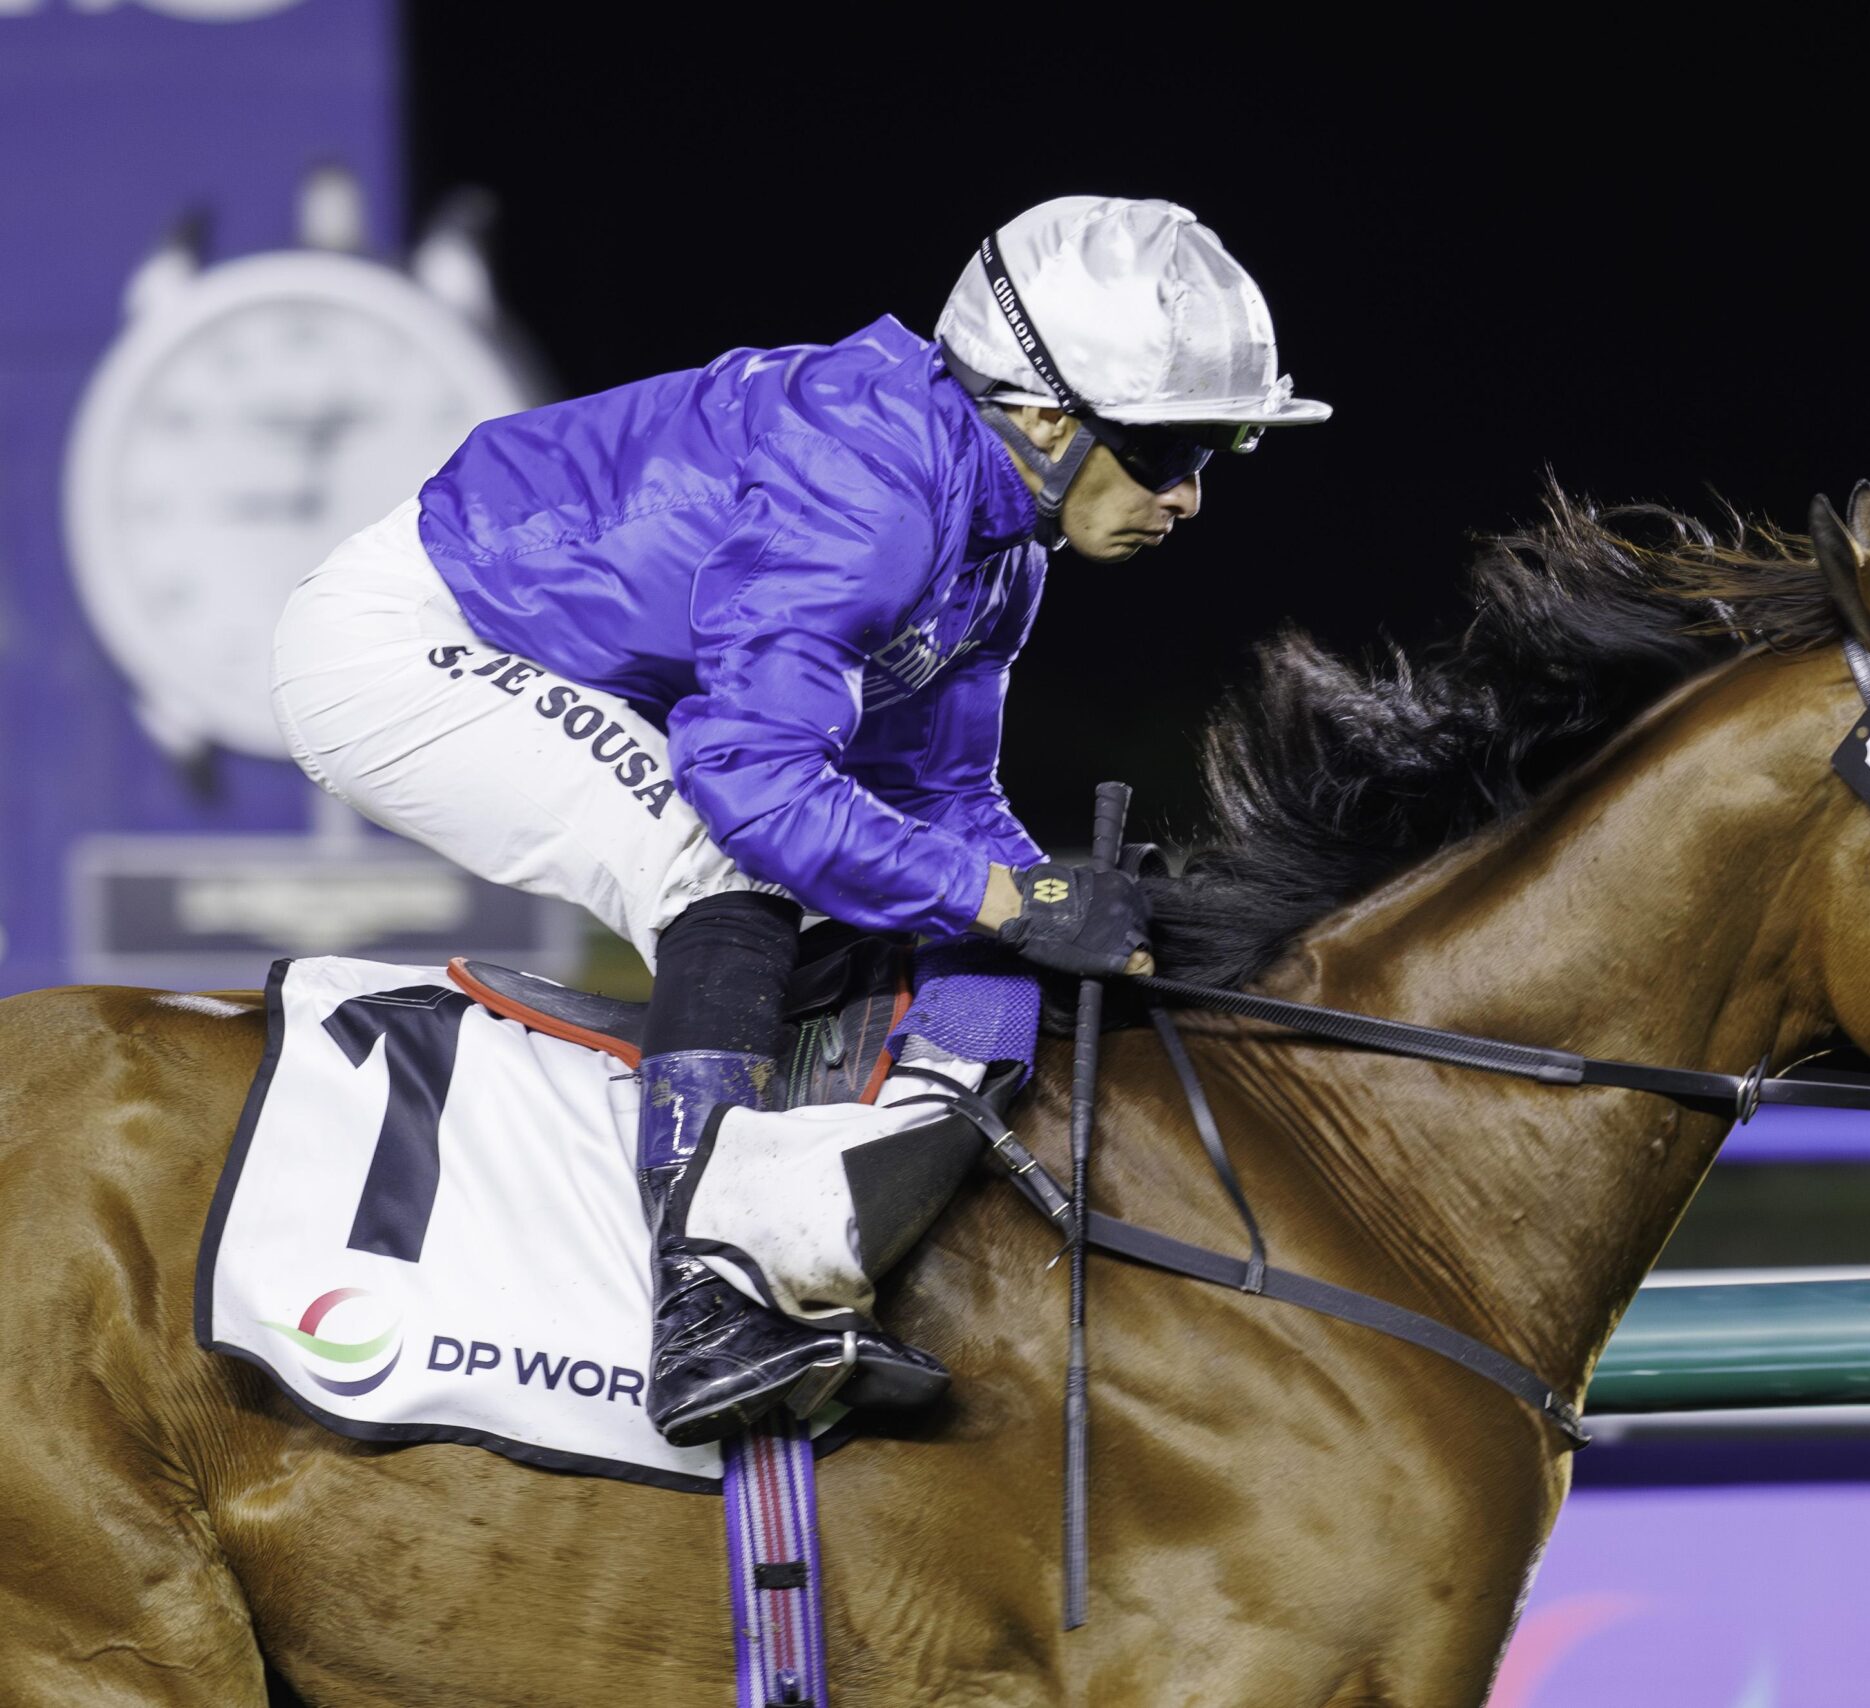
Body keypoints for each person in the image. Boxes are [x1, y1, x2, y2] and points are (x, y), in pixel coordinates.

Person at [269, 195, 1329, 1444]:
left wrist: (1053, 905)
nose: (1193, 496)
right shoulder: (872, 488)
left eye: (1218, 455)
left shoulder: (1003, 547)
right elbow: (757, 782)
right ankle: (706, 1302)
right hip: (403, 644)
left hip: (558, 655)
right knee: (720, 861)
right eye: (1171, 450)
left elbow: (940, 799)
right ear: (1044, 416)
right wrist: (1004, 900)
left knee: (946, 911)